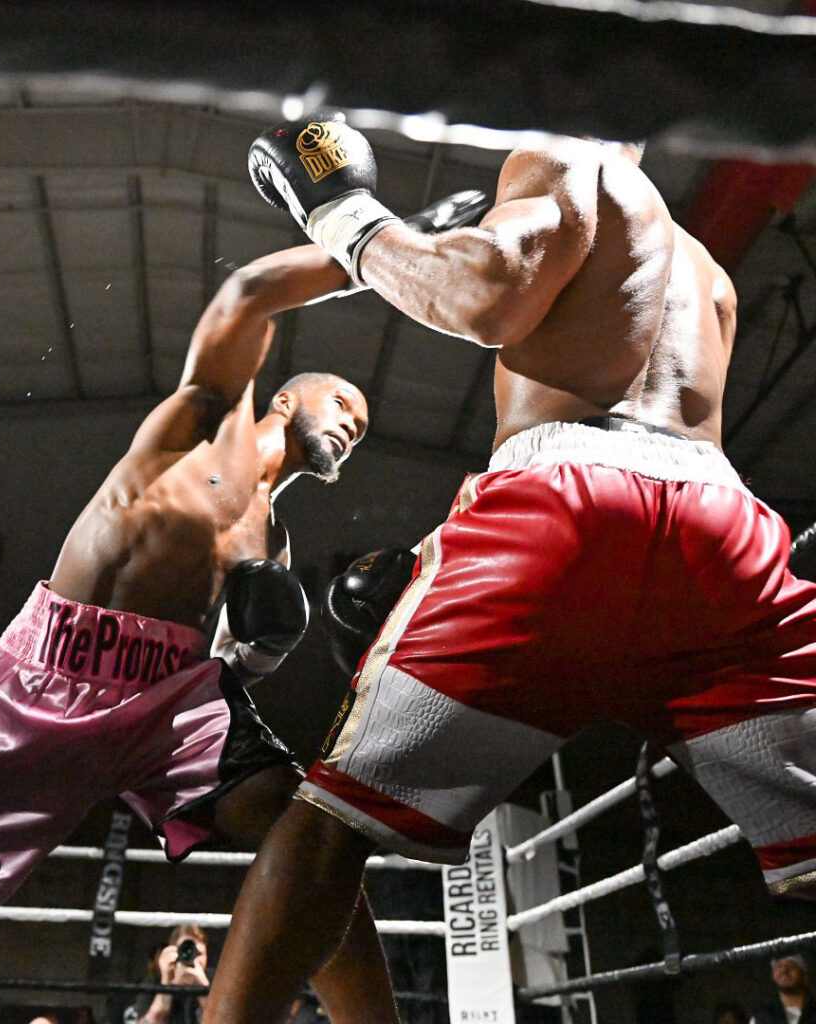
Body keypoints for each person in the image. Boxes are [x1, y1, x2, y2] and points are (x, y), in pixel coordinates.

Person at [201, 117, 816, 1023]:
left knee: (328, 826)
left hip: (571, 504)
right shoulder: (706, 271)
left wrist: (343, 217)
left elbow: (487, 294)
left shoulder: (568, 158)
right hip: (724, 529)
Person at [0, 238, 399, 1024]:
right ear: (287, 399)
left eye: (363, 421)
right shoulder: (205, 424)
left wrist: (259, 653)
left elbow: (226, 665)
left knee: (315, 837)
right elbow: (250, 291)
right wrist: (373, 243)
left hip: (174, 700)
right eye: (343, 403)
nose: (355, 422)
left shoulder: (272, 543)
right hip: (58, 671)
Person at [127, 925, 211, 1024]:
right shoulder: (154, 984)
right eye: (186, 951)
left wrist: (203, 988)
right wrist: (166, 984)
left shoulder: (216, 981)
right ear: (174, 952)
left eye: (199, 953)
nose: (193, 958)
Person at [751, 955, 816, 1024]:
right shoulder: (761, 1017)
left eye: (791, 967)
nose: (784, 971)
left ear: (804, 975)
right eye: (779, 966)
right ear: (773, 975)